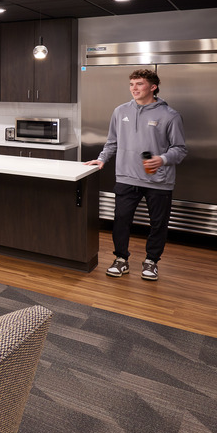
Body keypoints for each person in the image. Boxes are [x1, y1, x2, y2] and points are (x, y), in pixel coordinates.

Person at [86, 67, 188, 281]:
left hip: (159, 181)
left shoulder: (170, 115)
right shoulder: (120, 111)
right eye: (132, 84)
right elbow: (112, 141)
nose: (134, 88)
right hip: (126, 176)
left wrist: (162, 159)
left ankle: (151, 261)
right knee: (121, 220)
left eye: (139, 84)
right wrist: (102, 158)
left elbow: (180, 149)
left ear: (153, 87)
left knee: (158, 224)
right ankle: (121, 259)